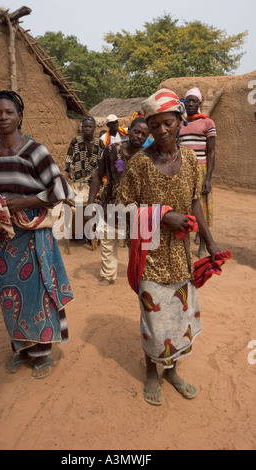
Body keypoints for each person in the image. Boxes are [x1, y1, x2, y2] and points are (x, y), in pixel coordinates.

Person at [116, 88, 221, 406]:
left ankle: (172, 370)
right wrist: (162, 216)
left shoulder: (190, 160)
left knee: (177, 315)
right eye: (155, 125)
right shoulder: (139, 165)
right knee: (152, 316)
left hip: (180, 255)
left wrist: (210, 242)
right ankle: (151, 371)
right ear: (148, 126)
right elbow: (121, 209)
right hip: (148, 254)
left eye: (168, 123)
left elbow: (194, 203)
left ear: (180, 121)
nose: (162, 131)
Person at [0, 90, 75, 379]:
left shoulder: (35, 151)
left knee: (37, 293)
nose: (3, 117)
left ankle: (42, 352)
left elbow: (61, 190)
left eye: (9, 112)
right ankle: (21, 347)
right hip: (4, 236)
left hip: (33, 233)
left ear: (19, 116)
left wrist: (25, 202)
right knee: (10, 295)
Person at [87, 117, 149, 286]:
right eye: (136, 131)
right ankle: (108, 275)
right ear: (128, 130)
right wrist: (91, 203)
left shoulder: (148, 156)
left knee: (135, 242)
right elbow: (98, 176)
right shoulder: (111, 150)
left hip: (136, 206)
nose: (139, 136)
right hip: (110, 204)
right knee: (107, 240)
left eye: (144, 134)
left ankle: (136, 273)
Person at [178, 87, 217, 258]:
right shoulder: (180, 123)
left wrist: (208, 177)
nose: (191, 104)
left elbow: (211, 152)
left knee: (202, 206)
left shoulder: (208, 123)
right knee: (184, 205)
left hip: (201, 169)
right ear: (184, 103)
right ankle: (184, 243)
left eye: (194, 100)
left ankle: (202, 244)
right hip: (183, 168)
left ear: (200, 103)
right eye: (188, 100)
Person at [64, 116, 105, 183]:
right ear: (82, 128)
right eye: (85, 126)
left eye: (90, 127)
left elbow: (103, 161)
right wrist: (71, 170)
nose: (87, 129)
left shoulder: (100, 143)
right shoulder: (75, 141)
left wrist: (97, 170)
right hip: (78, 179)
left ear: (94, 128)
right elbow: (69, 159)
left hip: (94, 181)